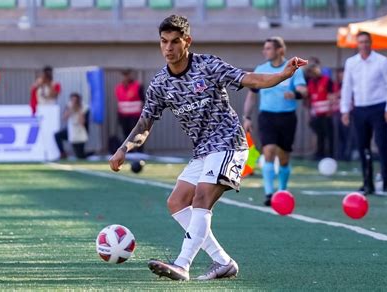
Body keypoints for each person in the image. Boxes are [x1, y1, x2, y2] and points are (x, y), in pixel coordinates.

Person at [109, 15, 307, 281]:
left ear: (187, 41)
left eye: (174, 42)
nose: (168, 48)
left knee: (201, 197)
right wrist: (124, 148)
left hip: (229, 143)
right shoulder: (160, 83)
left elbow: (250, 79)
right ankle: (222, 262)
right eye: (163, 42)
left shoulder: (208, 65)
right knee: (177, 202)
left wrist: (282, 75)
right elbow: (145, 123)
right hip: (203, 150)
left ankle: (182, 264)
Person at [242, 37, 307, 207]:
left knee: (284, 158)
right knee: (268, 151)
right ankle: (269, 194)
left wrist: (296, 94)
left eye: (268, 48)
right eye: (265, 48)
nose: (265, 51)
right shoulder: (261, 69)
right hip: (267, 117)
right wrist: (246, 117)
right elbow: (251, 95)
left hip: (287, 117)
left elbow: (303, 90)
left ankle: (282, 191)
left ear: (279, 50)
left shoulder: (294, 68)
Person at [340, 31, 387, 195]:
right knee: (363, 146)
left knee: (381, 144)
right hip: (360, 109)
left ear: (371, 43)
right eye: (361, 42)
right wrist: (345, 110)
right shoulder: (351, 63)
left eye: (366, 42)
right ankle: (367, 182)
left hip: (378, 107)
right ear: (357, 44)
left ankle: (386, 181)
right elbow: (347, 87)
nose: (363, 45)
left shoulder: (382, 61)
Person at [305, 63, 334, 160]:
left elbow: (331, 95)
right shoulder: (310, 82)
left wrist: (330, 109)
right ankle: (319, 154)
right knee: (319, 135)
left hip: (327, 113)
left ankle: (330, 155)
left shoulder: (327, 80)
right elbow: (309, 98)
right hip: (316, 114)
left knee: (329, 135)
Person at [54, 93, 92, 159]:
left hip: (81, 132)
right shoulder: (69, 106)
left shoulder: (85, 108)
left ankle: (90, 153)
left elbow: (82, 123)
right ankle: (62, 153)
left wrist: (80, 111)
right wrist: (71, 109)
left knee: (80, 156)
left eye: (75, 101)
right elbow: (64, 118)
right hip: (71, 131)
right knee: (57, 135)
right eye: (72, 100)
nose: (74, 102)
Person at [114, 69, 145, 152]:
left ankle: (139, 151)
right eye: (124, 75)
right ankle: (128, 151)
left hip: (136, 115)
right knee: (126, 134)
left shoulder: (137, 86)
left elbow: (143, 100)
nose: (125, 77)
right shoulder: (118, 87)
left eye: (127, 74)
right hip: (123, 116)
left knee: (137, 134)